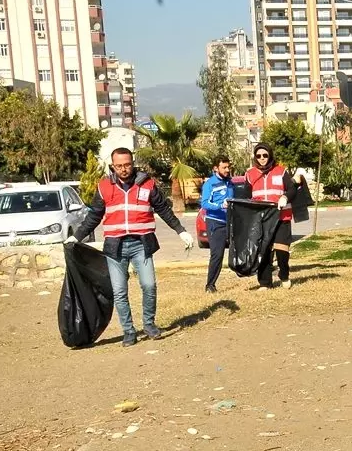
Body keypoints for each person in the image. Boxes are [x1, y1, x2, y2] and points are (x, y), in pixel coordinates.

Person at [69, 147, 193, 347]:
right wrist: (76, 237)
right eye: (119, 166)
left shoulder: (147, 184)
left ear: (132, 163)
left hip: (141, 244)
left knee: (149, 285)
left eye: (127, 164)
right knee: (119, 291)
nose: (123, 169)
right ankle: (128, 331)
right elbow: (94, 216)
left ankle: (150, 325)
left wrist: (181, 231)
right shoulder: (104, 187)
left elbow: (163, 209)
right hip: (115, 246)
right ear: (113, 166)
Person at [245, 143, 295, 289]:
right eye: (258, 156)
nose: (262, 158)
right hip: (262, 220)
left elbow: (292, 189)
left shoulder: (281, 171)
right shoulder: (249, 174)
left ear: (270, 155)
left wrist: (285, 197)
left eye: (265, 155)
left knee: (282, 251)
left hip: (281, 218)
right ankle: (265, 283)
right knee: (264, 252)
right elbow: (246, 197)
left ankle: (284, 275)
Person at [200, 154, 234, 293]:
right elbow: (204, 203)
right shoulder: (210, 184)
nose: (227, 170)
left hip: (230, 222)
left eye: (228, 167)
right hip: (215, 222)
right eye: (224, 167)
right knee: (217, 254)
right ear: (216, 168)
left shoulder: (230, 182)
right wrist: (221, 205)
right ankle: (210, 285)